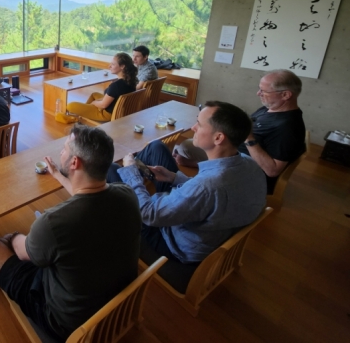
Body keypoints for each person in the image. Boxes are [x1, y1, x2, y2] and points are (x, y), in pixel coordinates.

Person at [0, 124, 140, 341]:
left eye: (64, 148)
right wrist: (59, 176)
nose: (61, 151)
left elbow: (24, 253)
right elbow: (89, 195)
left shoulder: (53, 223)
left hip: (65, 323)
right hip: (117, 306)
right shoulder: (127, 194)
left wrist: (12, 237)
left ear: (74, 162)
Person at [109, 101, 266, 273]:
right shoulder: (249, 163)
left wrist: (131, 171)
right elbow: (208, 196)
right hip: (203, 222)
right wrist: (173, 177)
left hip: (174, 243)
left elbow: (149, 214)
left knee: (113, 170)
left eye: (199, 124)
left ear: (218, 138)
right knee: (157, 147)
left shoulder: (207, 186)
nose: (193, 127)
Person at [173, 70, 306, 194]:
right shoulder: (270, 108)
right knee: (184, 146)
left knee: (185, 147)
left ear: (285, 95)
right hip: (232, 151)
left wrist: (249, 138)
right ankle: (200, 164)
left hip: (242, 169)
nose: (258, 93)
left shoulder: (288, 127)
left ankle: (201, 168)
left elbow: (272, 170)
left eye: (263, 91)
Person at [66, 52, 137, 122]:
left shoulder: (116, 85)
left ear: (122, 66)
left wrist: (94, 103)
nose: (109, 66)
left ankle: (84, 113)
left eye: (113, 64)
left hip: (106, 114)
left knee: (70, 105)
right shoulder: (131, 80)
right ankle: (85, 112)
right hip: (118, 109)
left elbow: (103, 105)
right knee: (94, 94)